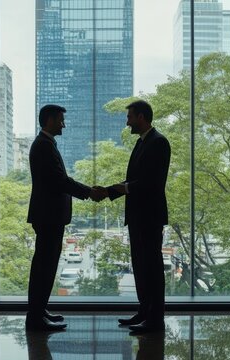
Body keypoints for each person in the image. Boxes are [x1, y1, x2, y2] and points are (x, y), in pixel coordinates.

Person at [26, 104, 104, 331]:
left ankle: (39, 311)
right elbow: (59, 181)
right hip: (48, 215)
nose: (64, 124)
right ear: (50, 120)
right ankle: (36, 317)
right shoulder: (43, 146)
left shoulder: (46, 144)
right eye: (61, 120)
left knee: (46, 265)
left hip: (49, 215)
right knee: (44, 266)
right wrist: (89, 191)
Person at [104, 100, 171, 334]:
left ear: (141, 117)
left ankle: (155, 320)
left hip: (149, 216)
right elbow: (134, 179)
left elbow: (153, 183)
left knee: (151, 268)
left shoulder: (159, 142)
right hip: (138, 216)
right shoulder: (143, 142)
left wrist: (122, 189)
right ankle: (145, 312)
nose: (127, 122)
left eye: (130, 117)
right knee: (141, 267)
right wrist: (110, 191)